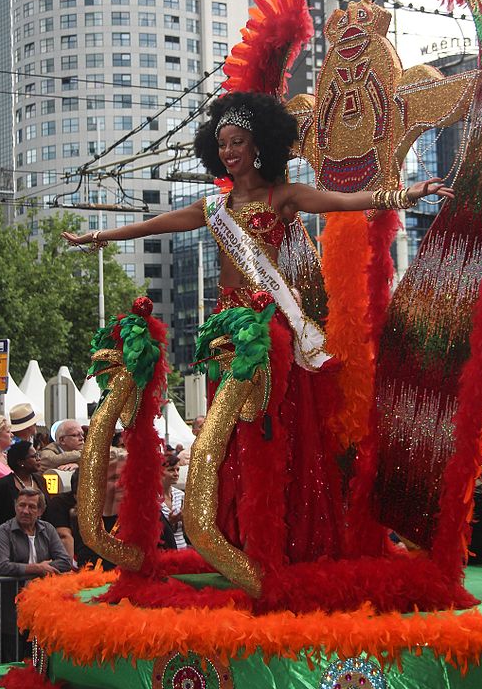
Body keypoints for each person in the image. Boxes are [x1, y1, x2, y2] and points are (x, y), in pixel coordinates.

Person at [62, 92, 454, 592]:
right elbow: (155, 226)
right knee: (236, 441)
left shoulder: (282, 196)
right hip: (227, 330)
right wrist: (99, 238)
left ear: (258, 145)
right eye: (222, 143)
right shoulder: (214, 208)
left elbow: (342, 202)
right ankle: (236, 537)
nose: (229, 152)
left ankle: (279, 546)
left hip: (268, 331)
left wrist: (405, 194)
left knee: (273, 432)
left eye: (238, 142)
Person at [0, 489, 70, 579]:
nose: (25, 511)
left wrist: (43, 568)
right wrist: (37, 568)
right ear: (15, 506)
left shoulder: (48, 529)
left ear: (41, 511)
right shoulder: (4, 531)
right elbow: (1, 566)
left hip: (43, 590)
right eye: (22, 505)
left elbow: (65, 561)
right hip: (14, 591)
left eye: (31, 507)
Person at [72, 448, 126, 570]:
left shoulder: (146, 519)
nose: (121, 483)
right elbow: (77, 565)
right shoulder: (83, 521)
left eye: (125, 476)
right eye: (114, 478)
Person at [0, 442, 49, 524]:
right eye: (34, 456)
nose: (38, 459)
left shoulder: (41, 480)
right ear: (20, 462)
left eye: (38, 455)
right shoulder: (0, 486)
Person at [160, 453, 185, 550]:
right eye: (171, 470)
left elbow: (188, 533)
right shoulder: (151, 498)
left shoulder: (181, 495)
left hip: (183, 549)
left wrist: (185, 520)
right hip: (164, 552)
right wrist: (168, 524)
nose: (176, 474)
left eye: (178, 469)